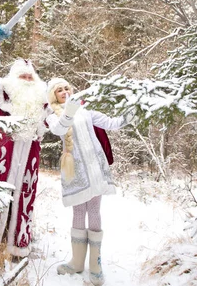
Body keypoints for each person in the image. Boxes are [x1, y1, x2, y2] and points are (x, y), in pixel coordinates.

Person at [46, 77, 134, 286]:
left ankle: (95, 265)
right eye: (59, 90)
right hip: (75, 171)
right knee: (79, 212)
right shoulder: (52, 115)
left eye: (67, 87)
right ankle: (77, 262)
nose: (65, 91)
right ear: (54, 95)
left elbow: (112, 123)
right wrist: (69, 111)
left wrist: (133, 110)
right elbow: (58, 129)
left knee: (94, 211)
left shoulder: (86, 111)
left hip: (95, 168)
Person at [0, 26, 49, 258]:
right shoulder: (0, 93)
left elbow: (58, 119)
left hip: (28, 158)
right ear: (12, 79)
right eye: (22, 77)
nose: (28, 80)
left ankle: (17, 246)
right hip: (2, 158)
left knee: (23, 198)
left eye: (31, 77)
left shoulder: (43, 102)